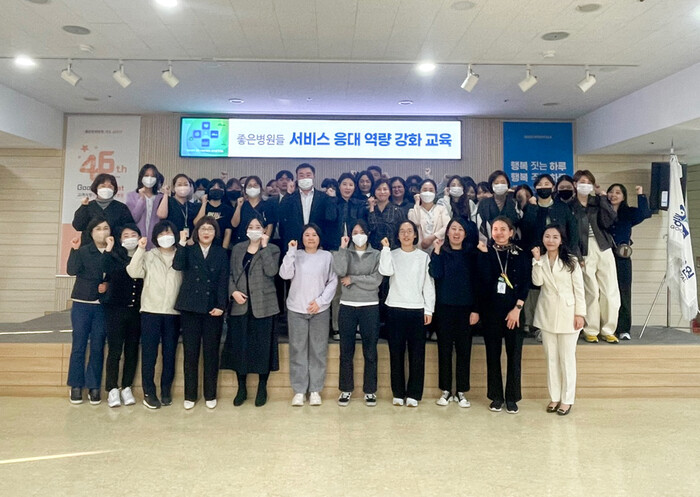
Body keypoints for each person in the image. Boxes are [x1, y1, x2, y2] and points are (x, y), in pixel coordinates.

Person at [221, 217, 281, 407]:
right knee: (241, 347)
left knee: (263, 348)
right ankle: (242, 388)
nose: (254, 229)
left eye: (258, 227)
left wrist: (264, 247)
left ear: (264, 229)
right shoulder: (238, 248)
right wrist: (233, 292)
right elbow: (231, 274)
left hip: (264, 305)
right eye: (251, 226)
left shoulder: (272, 249)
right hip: (240, 305)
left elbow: (272, 271)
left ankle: (262, 387)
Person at [279, 224, 338, 406]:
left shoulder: (327, 256)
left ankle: (315, 390)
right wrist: (290, 252)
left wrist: (320, 301)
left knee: (318, 350)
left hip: (319, 310)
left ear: (319, 238)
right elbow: (284, 274)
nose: (311, 238)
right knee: (298, 350)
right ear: (301, 238)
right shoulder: (295, 254)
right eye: (307, 235)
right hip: (297, 309)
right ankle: (299, 390)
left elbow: (333, 281)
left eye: (314, 235)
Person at [174, 216, 229, 409]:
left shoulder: (221, 253)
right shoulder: (188, 250)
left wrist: (221, 306)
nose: (206, 232)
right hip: (190, 307)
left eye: (210, 229)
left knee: (211, 353)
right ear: (197, 232)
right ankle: (190, 395)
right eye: (203, 229)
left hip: (212, 308)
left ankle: (210, 394)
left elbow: (223, 281)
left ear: (216, 233)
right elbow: (177, 265)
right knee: (191, 353)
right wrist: (181, 243)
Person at [476, 216, 530, 414]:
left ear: (511, 232)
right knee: (493, 355)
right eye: (495, 229)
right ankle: (496, 396)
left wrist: (517, 308)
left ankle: (512, 397)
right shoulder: (486, 252)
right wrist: (483, 255)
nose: (498, 233)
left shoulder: (520, 254)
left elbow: (525, 283)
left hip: (514, 311)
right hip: (491, 312)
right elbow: (481, 281)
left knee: (514, 355)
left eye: (503, 229)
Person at [126, 220, 182, 409]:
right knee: (149, 354)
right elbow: (133, 272)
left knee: (169, 354)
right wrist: (140, 249)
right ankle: (149, 392)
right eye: (161, 234)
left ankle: (166, 390)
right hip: (151, 311)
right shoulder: (149, 255)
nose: (166, 237)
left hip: (173, 312)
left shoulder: (181, 255)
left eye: (169, 233)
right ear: (155, 237)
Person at [379, 220, 435, 407]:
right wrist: (385, 249)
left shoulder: (423, 257)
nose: (406, 234)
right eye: (402, 231)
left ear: (415, 235)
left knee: (417, 354)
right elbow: (385, 271)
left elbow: (428, 285)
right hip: (394, 308)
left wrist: (428, 309)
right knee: (396, 353)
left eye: (409, 231)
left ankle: (414, 394)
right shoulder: (392, 254)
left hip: (416, 309)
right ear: (397, 235)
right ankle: (398, 393)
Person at [531, 224, 586, 416]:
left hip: (569, 314)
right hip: (547, 313)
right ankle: (554, 397)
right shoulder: (540, 260)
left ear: (561, 240)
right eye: (547, 236)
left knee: (567, 359)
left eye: (555, 237)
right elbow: (537, 282)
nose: (551, 240)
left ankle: (567, 399)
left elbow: (579, 289)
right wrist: (536, 261)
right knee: (551, 359)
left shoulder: (571, 261)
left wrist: (580, 314)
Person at [429, 217, 480, 408]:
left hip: (466, 309)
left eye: (460, 229)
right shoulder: (441, 252)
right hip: (444, 308)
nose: (456, 232)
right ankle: (445, 390)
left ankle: (461, 391)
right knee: (444, 350)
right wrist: (436, 251)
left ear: (465, 234)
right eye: (453, 229)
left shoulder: (472, 254)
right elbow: (435, 274)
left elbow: (478, 284)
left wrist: (475, 310)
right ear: (447, 232)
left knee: (464, 350)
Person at [332, 220, 383, 407]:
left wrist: (353, 279)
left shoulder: (376, 254)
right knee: (346, 351)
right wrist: (343, 248)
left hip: (370, 305)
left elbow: (376, 280)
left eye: (361, 232)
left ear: (367, 234)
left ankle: (370, 391)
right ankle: (346, 389)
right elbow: (340, 271)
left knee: (370, 351)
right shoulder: (345, 252)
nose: (358, 235)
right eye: (355, 232)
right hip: (347, 305)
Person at [571, 170, 620, 343]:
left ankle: (608, 329)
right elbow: (569, 232)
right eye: (582, 182)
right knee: (590, 291)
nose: (585, 185)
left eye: (588, 182)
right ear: (575, 184)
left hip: (603, 246)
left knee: (610, 290)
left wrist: (602, 197)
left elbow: (611, 219)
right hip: (584, 250)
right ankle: (590, 329)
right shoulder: (570, 205)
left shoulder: (597, 202)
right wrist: (577, 255)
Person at [66, 217, 110, 405]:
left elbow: (115, 275)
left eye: (106, 228)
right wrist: (74, 250)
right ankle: (75, 385)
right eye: (98, 229)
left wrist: (108, 285)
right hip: (82, 303)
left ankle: (94, 386)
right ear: (91, 233)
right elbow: (71, 270)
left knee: (98, 345)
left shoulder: (114, 251)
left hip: (102, 305)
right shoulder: (83, 250)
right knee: (79, 344)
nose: (103, 232)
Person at [102, 223, 143, 408]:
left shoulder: (143, 256)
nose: (130, 238)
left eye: (134, 234)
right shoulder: (114, 255)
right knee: (115, 350)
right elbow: (104, 269)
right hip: (116, 310)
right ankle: (112, 388)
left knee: (132, 350)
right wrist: (109, 248)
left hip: (136, 311)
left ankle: (127, 387)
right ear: (120, 239)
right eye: (126, 235)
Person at [607, 184, 652, 340]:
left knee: (624, 292)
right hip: (605, 255)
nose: (613, 195)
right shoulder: (602, 211)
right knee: (606, 293)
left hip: (622, 256)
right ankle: (607, 327)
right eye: (611, 192)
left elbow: (645, 214)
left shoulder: (628, 212)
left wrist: (640, 194)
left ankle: (624, 329)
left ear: (623, 196)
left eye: (618, 192)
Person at [278, 163, 336, 252]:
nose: (305, 178)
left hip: (318, 245)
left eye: (308, 175)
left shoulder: (324, 197)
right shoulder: (290, 197)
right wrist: (288, 193)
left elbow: (331, 218)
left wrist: (332, 199)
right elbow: (281, 215)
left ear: (314, 176)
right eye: (301, 175)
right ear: (296, 178)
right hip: (294, 244)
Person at [72, 173, 134, 245]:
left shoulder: (121, 207)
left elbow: (129, 227)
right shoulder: (88, 206)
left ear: (114, 189)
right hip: (89, 248)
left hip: (115, 248)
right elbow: (78, 226)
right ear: (96, 188)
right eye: (103, 186)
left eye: (110, 186)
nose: (106, 189)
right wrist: (83, 207)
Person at [125, 164, 164, 249]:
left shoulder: (161, 197)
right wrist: (141, 199)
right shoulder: (131, 195)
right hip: (137, 240)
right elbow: (134, 218)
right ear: (141, 177)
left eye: (153, 176)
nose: (149, 178)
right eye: (146, 175)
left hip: (156, 240)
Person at [475, 171, 520, 241]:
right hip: (489, 242)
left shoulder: (514, 202)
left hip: (511, 241)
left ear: (507, 184)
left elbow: (518, 223)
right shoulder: (484, 203)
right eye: (496, 183)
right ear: (491, 185)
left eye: (503, 182)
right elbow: (480, 225)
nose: (500, 185)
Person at [231, 175, 277, 244]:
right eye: (249, 186)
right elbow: (234, 224)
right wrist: (239, 207)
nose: (252, 188)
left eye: (255, 185)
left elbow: (269, 226)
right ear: (245, 189)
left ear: (260, 188)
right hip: (241, 242)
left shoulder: (267, 205)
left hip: (260, 242)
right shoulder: (241, 204)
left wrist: (264, 242)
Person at [408, 179, 451, 253]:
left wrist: (432, 237)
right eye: (425, 190)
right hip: (419, 251)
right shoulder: (413, 211)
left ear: (435, 193)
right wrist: (417, 202)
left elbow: (448, 226)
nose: (428, 193)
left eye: (431, 190)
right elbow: (415, 222)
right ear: (419, 192)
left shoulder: (441, 209)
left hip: (439, 249)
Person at [193, 179, 234, 249]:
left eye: (220, 187)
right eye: (213, 187)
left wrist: (223, 249)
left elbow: (228, 231)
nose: (216, 189)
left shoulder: (228, 209)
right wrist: (204, 204)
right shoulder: (199, 206)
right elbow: (196, 223)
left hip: (219, 246)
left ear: (224, 191)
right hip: (200, 245)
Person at [367, 179, 406, 250]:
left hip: (393, 249)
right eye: (379, 189)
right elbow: (372, 227)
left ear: (390, 192)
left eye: (385, 189)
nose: (382, 192)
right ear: (374, 192)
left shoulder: (398, 210)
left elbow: (402, 231)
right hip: (373, 251)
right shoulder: (368, 209)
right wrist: (371, 208)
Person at [157, 173, 198, 239]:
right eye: (179, 184)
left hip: (188, 240)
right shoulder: (168, 200)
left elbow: (196, 225)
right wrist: (166, 194)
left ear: (190, 188)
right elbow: (161, 215)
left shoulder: (192, 205)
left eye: (186, 185)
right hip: (170, 238)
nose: (183, 187)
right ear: (173, 188)